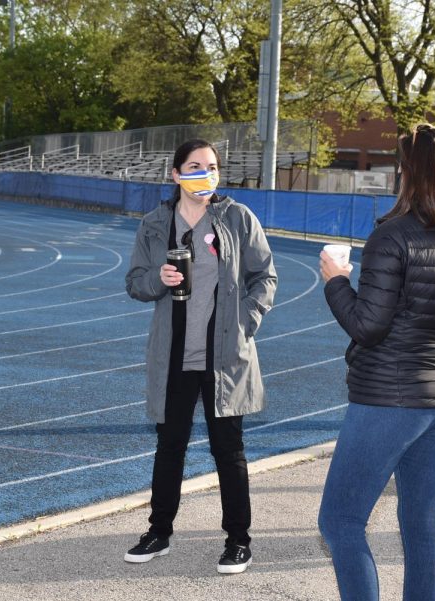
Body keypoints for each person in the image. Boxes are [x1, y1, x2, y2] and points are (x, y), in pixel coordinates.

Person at [318, 123, 435, 601]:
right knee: (423, 525)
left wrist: (335, 281)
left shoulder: (392, 236)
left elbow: (368, 326)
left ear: (410, 172)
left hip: (387, 400)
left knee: (340, 520)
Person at [124, 139, 277, 574]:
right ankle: (159, 531)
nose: (204, 173)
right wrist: (158, 277)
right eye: (193, 166)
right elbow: (135, 282)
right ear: (175, 174)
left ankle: (238, 540)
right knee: (169, 447)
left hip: (225, 355)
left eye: (211, 166)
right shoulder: (156, 224)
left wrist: (244, 324)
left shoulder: (238, 218)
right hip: (174, 354)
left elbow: (265, 277)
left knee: (229, 450)